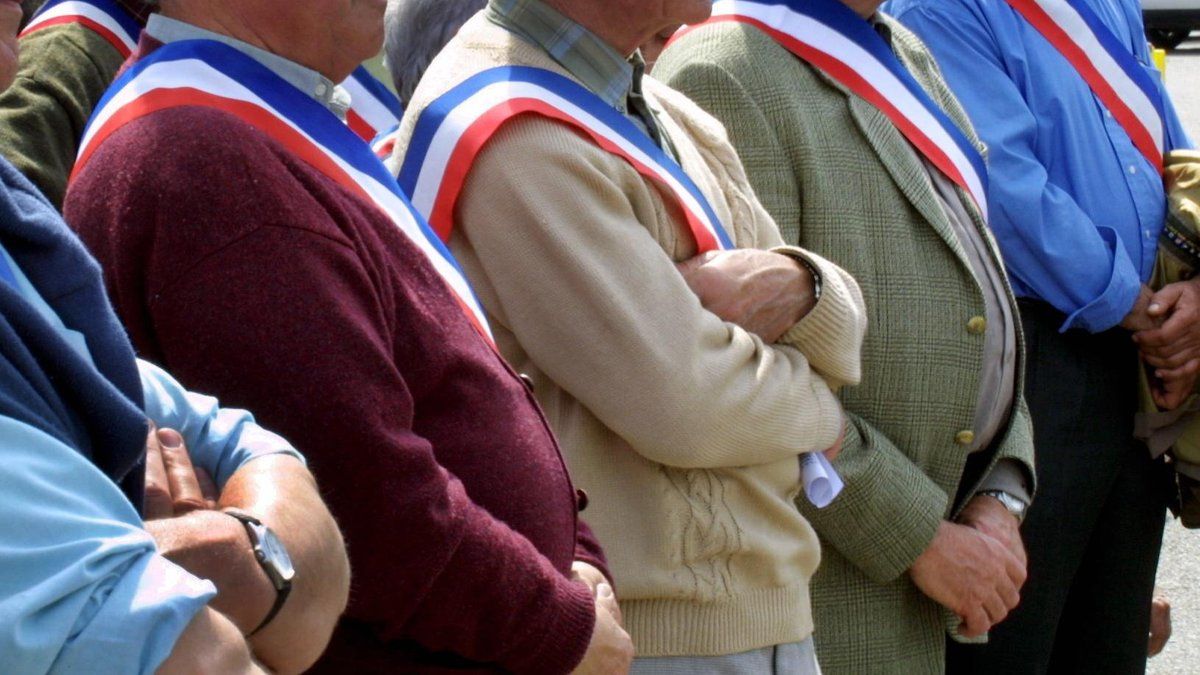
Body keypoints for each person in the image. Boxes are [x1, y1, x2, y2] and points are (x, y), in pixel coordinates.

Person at [64, 0, 629, 671]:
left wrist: (575, 556)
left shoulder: (239, 126)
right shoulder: (204, 159)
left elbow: (459, 394)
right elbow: (366, 498)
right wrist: (558, 626)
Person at [391, 0, 869, 671]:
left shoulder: (665, 111)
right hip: (651, 640)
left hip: (752, 622)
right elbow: (691, 406)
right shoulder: (513, 131)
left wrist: (803, 286)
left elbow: (833, 325)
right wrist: (825, 412)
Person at [654, 0, 1036, 671]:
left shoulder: (900, 46)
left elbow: (978, 287)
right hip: (841, 590)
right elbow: (749, 372)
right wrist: (921, 538)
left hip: (968, 555)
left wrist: (1001, 493)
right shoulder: (722, 68)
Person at [0, 5, 350, 670]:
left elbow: (247, 449)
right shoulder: (179, 143)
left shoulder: (14, 220)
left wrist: (232, 555)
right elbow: (198, 656)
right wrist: (255, 571)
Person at [885, 0, 1194, 671]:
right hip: (1036, 363)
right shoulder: (938, 8)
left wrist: (1192, 291)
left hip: (1136, 356)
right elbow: (1005, 189)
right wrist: (1144, 308)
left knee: (1108, 638)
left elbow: (1176, 157)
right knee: (1016, 640)